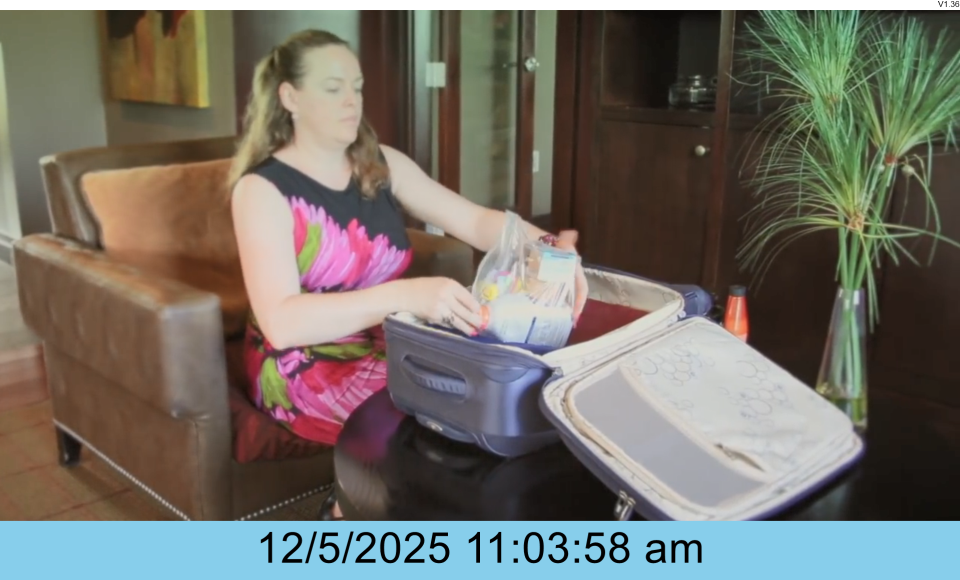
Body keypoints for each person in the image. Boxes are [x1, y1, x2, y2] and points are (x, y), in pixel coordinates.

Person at [228, 29, 588, 519]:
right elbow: (283, 323)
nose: (352, 101)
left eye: (357, 87)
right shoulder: (261, 190)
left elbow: (475, 221)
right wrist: (407, 295)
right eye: (333, 88)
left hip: (389, 339)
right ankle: (348, 511)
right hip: (304, 363)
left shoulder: (381, 165)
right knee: (453, 410)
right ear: (290, 97)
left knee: (493, 396)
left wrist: (549, 249)